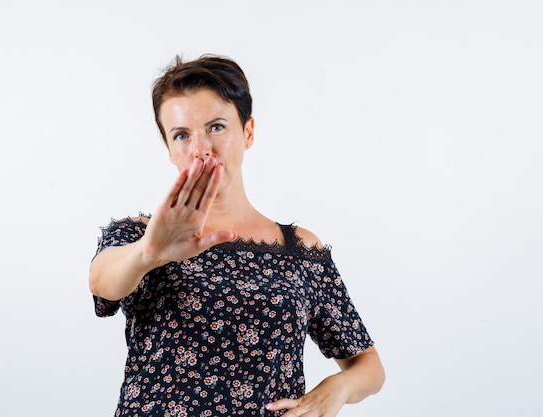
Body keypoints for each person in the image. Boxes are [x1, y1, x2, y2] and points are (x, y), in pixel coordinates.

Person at [89, 53, 385, 417]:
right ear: (169, 150)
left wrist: (335, 389)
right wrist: (150, 253)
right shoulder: (140, 236)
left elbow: (368, 365)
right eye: (181, 135)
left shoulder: (300, 250)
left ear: (248, 132)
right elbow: (102, 283)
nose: (200, 149)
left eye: (216, 127)